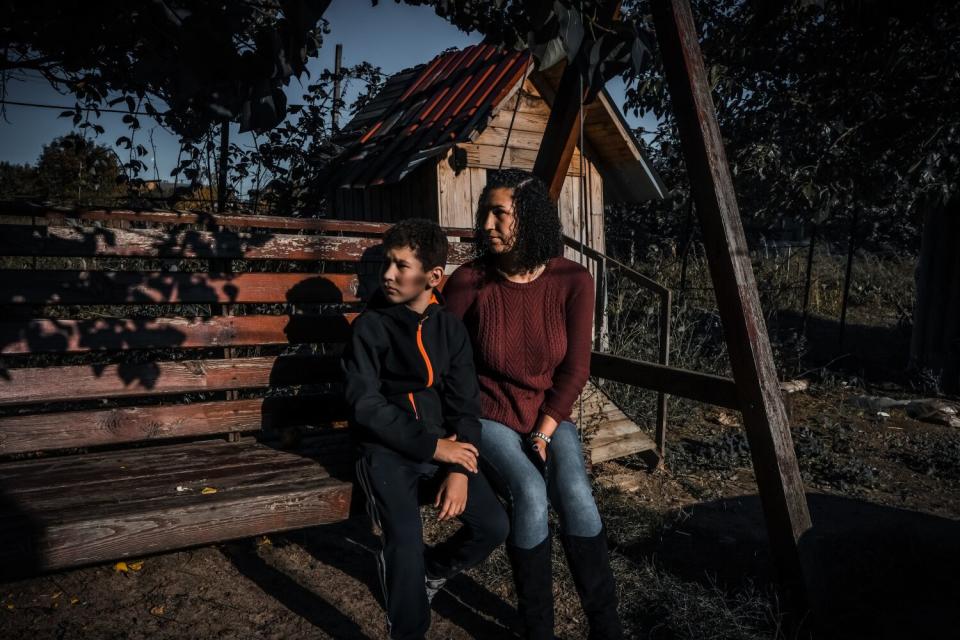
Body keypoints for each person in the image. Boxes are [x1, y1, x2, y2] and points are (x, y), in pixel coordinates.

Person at [444, 170, 623, 640]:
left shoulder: (572, 279)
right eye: (485, 213)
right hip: (489, 412)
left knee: (578, 495)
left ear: (528, 217)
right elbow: (448, 365)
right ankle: (536, 627)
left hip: (546, 411)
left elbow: (576, 369)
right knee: (529, 491)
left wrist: (545, 430)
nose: (486, 223)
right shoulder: (469, 282)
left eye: (499, 213)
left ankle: (607, 627)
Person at [343, 218, 509, 640]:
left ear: (434, 276)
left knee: (493, 525)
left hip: (443, 449)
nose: (388, 274)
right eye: (387, 263)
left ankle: (431, 572)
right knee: (404, 540)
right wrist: (434, 448)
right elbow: (365, 405)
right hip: (384, 452)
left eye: (401, 266)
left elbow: (465, 405)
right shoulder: (371, 327)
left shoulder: (449, 329)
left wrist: (458, 468)